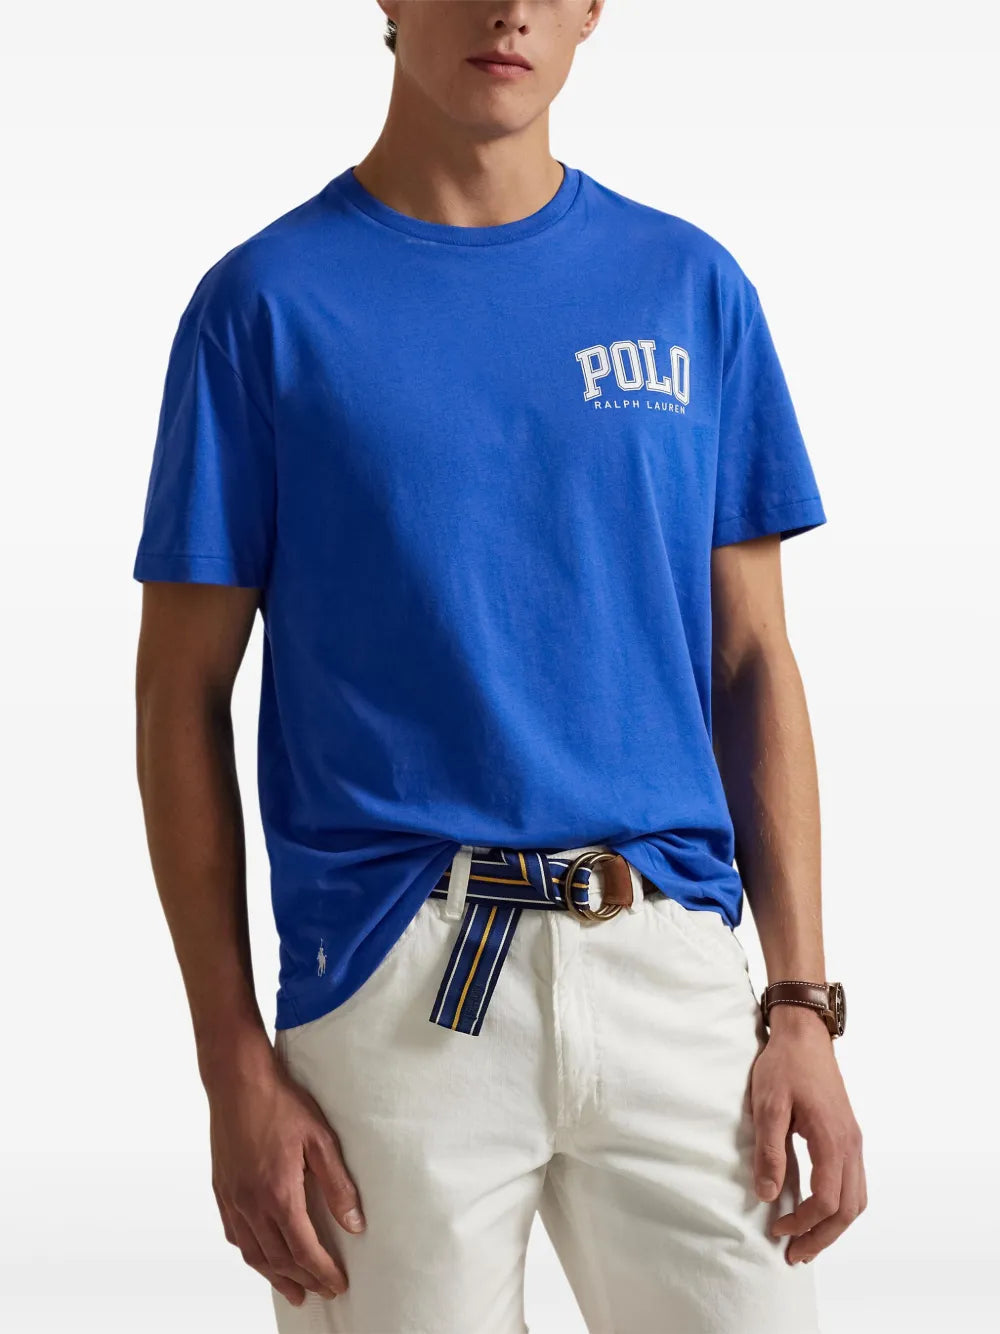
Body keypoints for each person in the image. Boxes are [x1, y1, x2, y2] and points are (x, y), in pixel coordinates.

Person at [132, 3, 865, 1331]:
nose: (508, 9)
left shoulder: (689, 287)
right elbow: (178, 694)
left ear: (593, 10)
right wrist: (228, 1058)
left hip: (671, 959)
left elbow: (756, 659)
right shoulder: (263, 308)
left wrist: (801, 1003)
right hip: (392, 983)